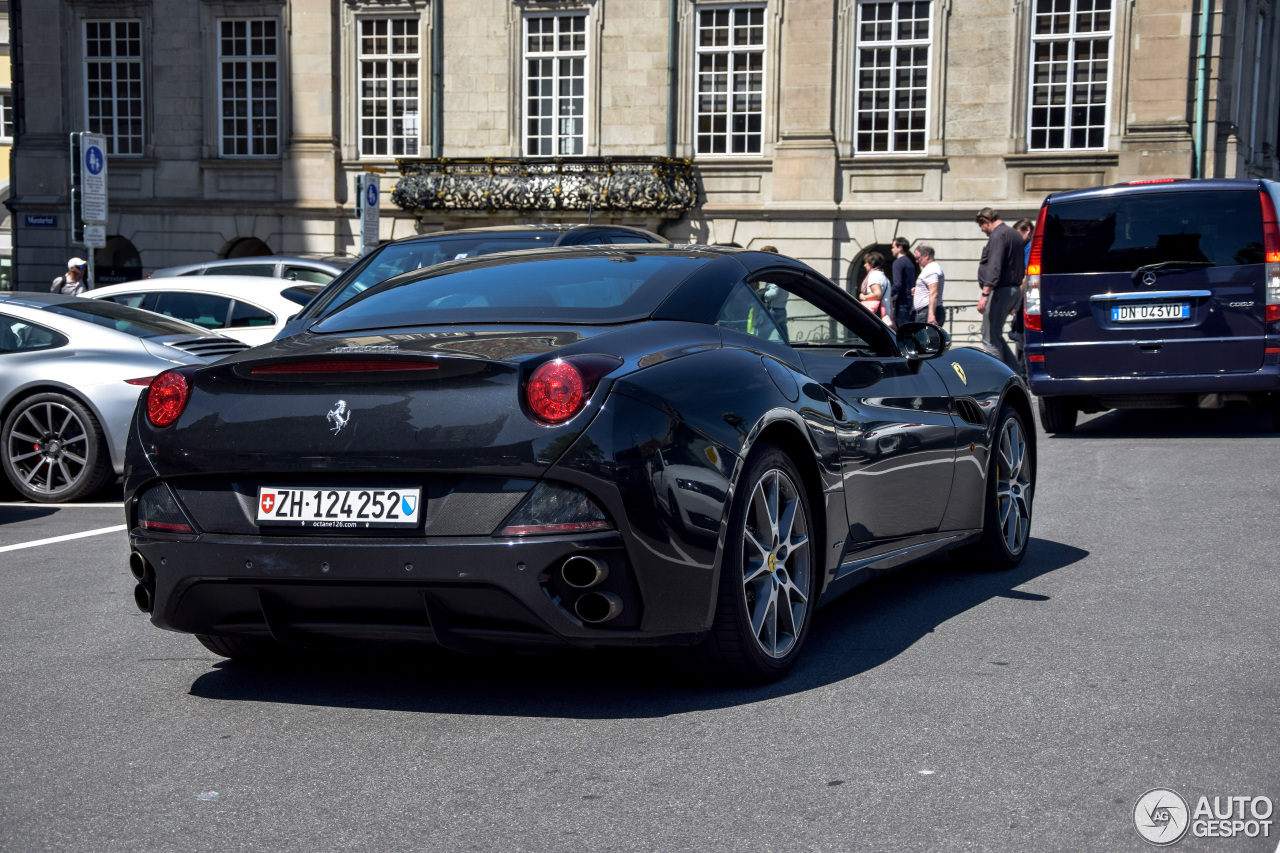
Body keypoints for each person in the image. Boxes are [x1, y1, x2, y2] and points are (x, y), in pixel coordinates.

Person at [974, 207, 1024, 370]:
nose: (984, 232)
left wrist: (984, 294)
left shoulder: (998, 235)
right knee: (995, 334)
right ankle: (1015, 372)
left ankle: (999, 378)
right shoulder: (1014, 234)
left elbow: (994, 266)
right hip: (1013, 290)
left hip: (1000, 290)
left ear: (985, 221)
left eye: (982, 228)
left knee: (989, 338)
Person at [912, 244, 944, 325]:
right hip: (926, 311)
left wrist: (931, 314)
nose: (917, 261)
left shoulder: (931, 269)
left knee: (924, 337)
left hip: (927, 312)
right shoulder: (932, 269)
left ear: (926, 255)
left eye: (918, 258)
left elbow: (934, 293)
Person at [890, 237, 917, 329]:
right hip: (909, 302)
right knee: (908, 331)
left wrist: (888, 294)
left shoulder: (897, 263)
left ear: (900, 248)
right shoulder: (910, 262)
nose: (892, 250)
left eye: (893, 247)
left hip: (901, 302)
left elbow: (898, 283)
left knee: (901, 332)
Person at [858, 251, 891, 325]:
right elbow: (890, 300)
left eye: (866, 262)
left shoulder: (874, 275)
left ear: (871, 263)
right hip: (884, 314)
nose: (865, 265)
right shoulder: (884, 277)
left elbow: (877, 295)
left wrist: (863, 297)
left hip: (876, 315)